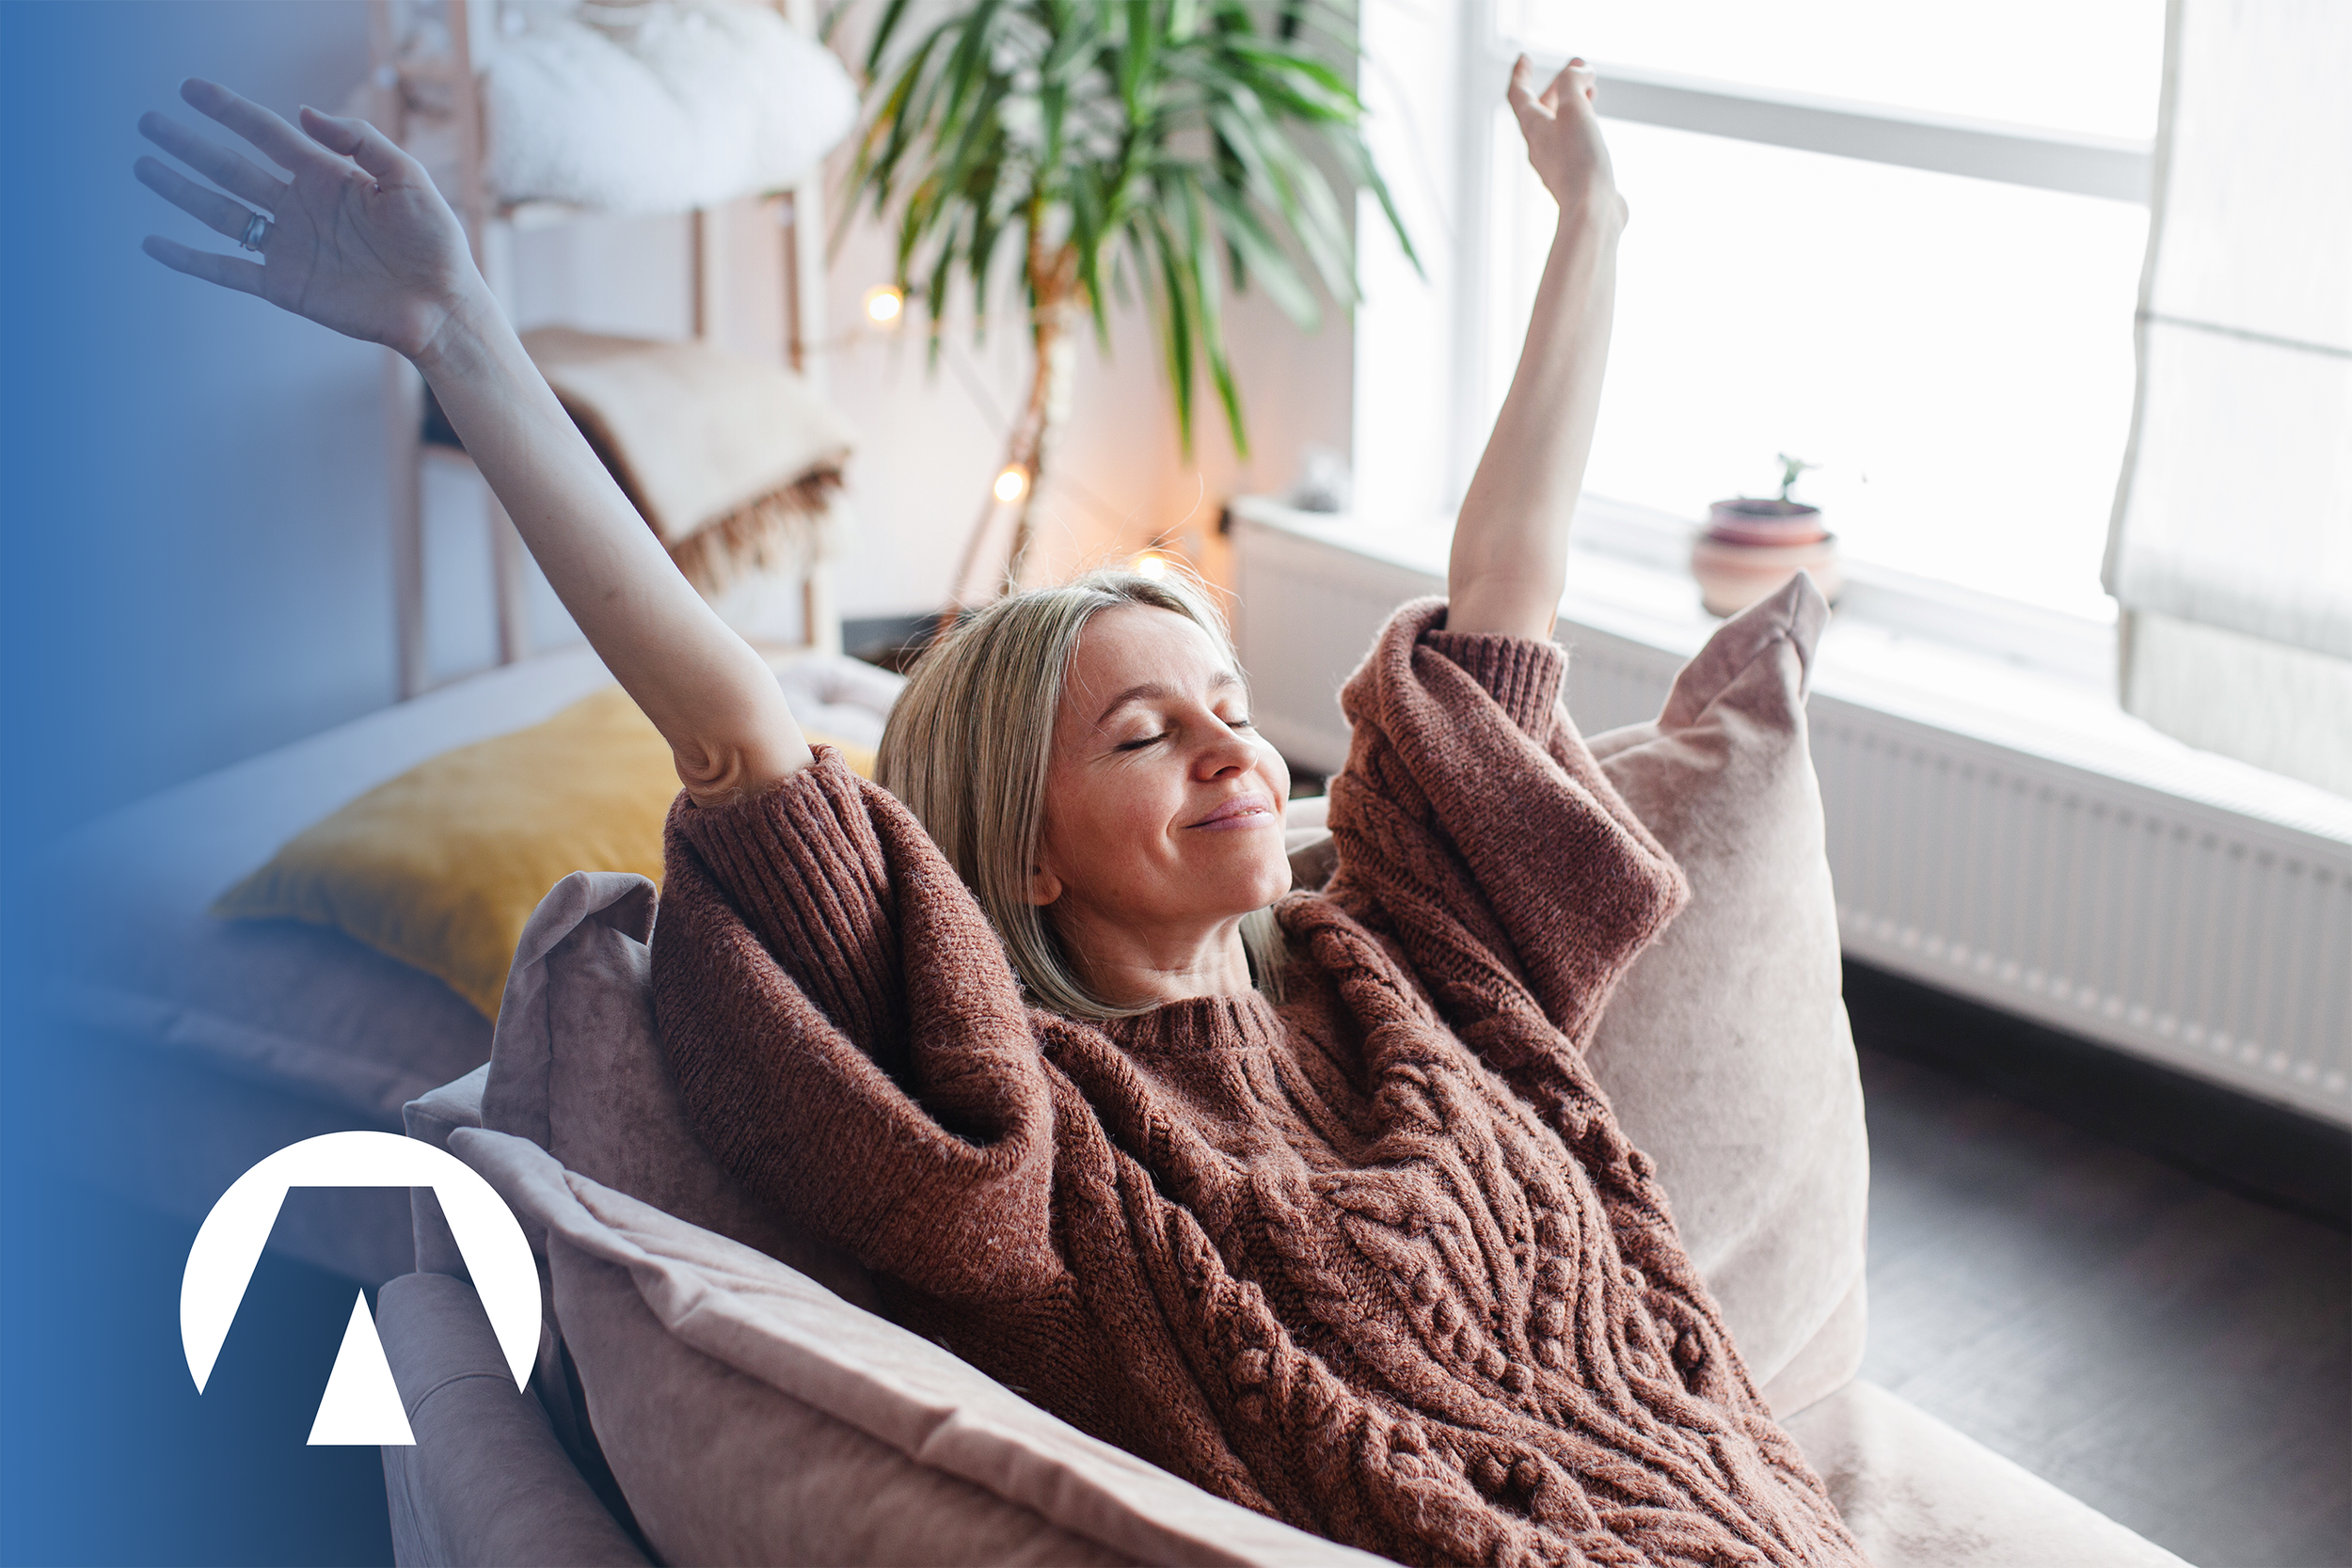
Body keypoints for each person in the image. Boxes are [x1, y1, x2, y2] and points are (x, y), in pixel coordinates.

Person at [136, 59, 1862, 1566]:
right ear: (1021, 853)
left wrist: (1594, 226)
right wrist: (462, 332)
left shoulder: (1405, 961)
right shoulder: (1031, 1122)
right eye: (1142, 734)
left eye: (1233, 712)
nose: (1230, 751)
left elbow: (1507, 581)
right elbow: (745, 739)